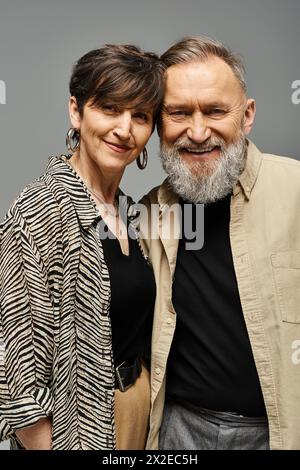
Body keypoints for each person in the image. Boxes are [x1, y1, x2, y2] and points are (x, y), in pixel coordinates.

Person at [0, 44, 164, 450]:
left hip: (137, 415)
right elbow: (16, 373)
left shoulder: (129, 212)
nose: (125, 129)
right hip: (78, 429)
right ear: (77, 112)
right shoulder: (37, 211)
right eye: (110, 108)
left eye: (140, 116)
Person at [140, 36, 300, 450]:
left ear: (246, 116)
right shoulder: (147, 215)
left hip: (279, 434)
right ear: (159, 122)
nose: (197, 132)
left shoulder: (297, 190)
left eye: (214, 111)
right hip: (179, 431)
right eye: (178, 113)